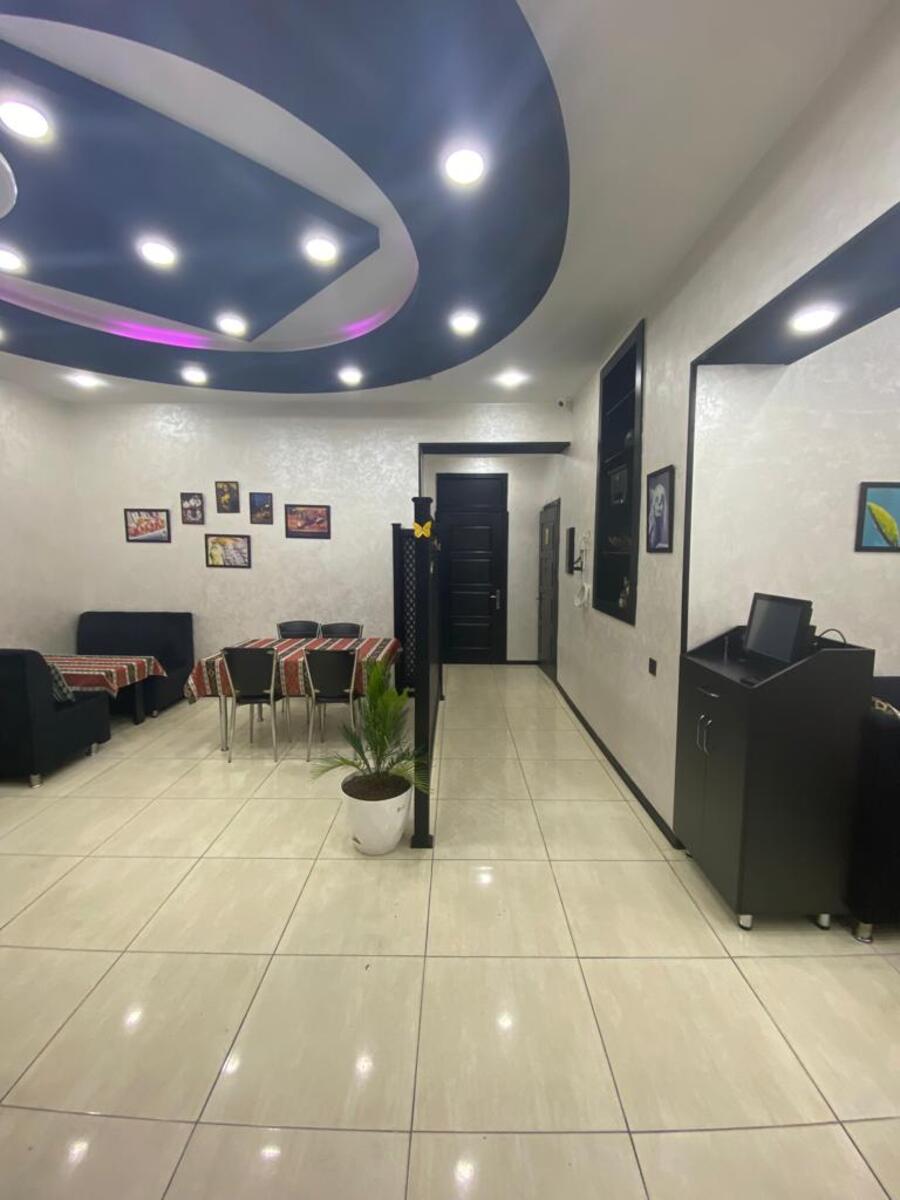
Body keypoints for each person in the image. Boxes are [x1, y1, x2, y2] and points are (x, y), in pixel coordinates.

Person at [648, 482, 669, 550]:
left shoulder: (664, 527)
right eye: (657, 500)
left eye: (661, 502)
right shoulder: (649, 525)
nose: (659, 507)